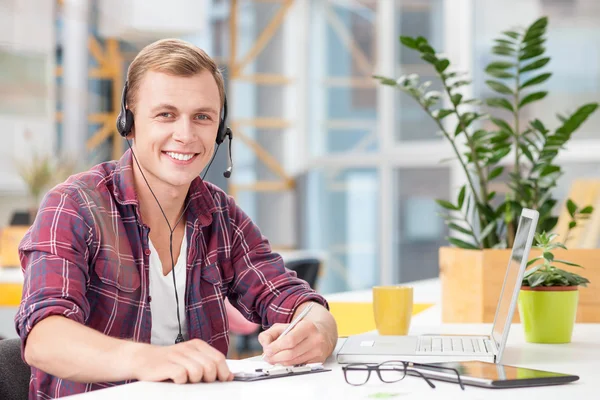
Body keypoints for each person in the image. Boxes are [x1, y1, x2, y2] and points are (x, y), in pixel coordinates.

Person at [15, 38, 338, 399]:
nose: (185, 135)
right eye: (166, 114)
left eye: (202, 117)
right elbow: (44, 338)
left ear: (219, 130)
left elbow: (293, 299)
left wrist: (316, 328)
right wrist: (148, 359)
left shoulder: (221, 215)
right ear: (130, 123)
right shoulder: (75, 206)